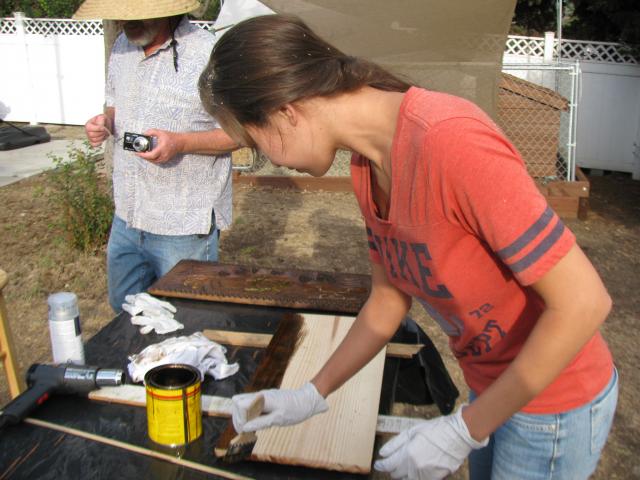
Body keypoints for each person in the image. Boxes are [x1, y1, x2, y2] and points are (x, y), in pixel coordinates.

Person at [199, 14, 618, 480]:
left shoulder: (450, 140)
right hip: (494, 386)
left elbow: (583, 303)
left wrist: (466, 428)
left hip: (553, 401)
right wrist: (312, 393)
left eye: (257, 145)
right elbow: (387, 302)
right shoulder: (367, 165)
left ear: (284, 112)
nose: (271, 162)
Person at [74, 0, 238, 312]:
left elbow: (239, 133)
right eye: (122, 16)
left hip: (182, 224)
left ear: (169, 9)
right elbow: (114, 103)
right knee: (125, 312)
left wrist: (180, 144)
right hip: (128, 214)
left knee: (188, 317)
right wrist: (105, 122)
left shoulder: (209, 54)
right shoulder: (122, 46)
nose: (127, 23)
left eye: (137, 15)